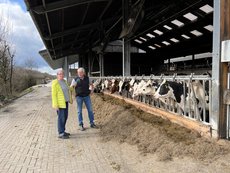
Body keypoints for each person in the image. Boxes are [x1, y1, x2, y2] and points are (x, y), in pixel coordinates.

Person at [52, 69, 73, 139]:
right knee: (61, 118)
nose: (61, 75)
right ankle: (61, 133)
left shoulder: (64, 81)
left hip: (66, 102)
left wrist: (72, 87)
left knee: (65, 117)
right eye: (59, 74)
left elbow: (68, 89)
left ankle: (63, 131)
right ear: (57, 75)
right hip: (60, 104)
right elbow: (54, 95)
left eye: (62, 74)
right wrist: (55, 105)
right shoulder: (55, 83)